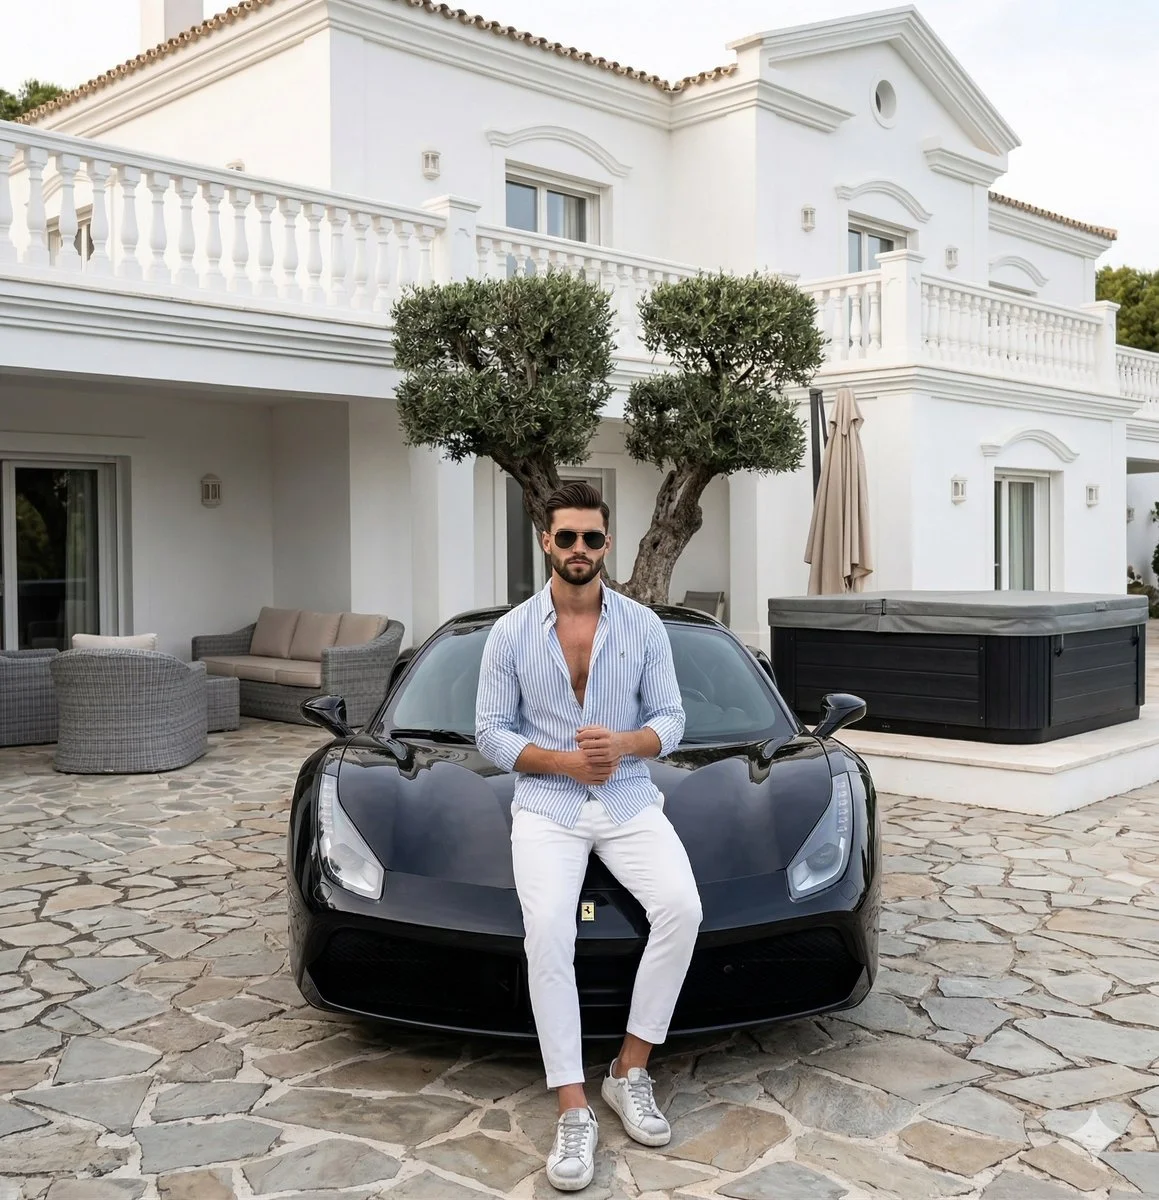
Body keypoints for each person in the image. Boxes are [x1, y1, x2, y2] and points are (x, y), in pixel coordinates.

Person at [475, 480, 703, 1193]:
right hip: (545, 804)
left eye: (592, 538)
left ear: (607, 544)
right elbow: (490, 733)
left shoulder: (642, 626)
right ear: (545, 541)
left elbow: (670, 718)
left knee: (682, 908)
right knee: (546, 931)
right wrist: (562, 761)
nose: (579, 549)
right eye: (566, 537)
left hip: (630, 797)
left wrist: (628, 744)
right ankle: (571, 1105)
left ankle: (628, 1069)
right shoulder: (510, 632)